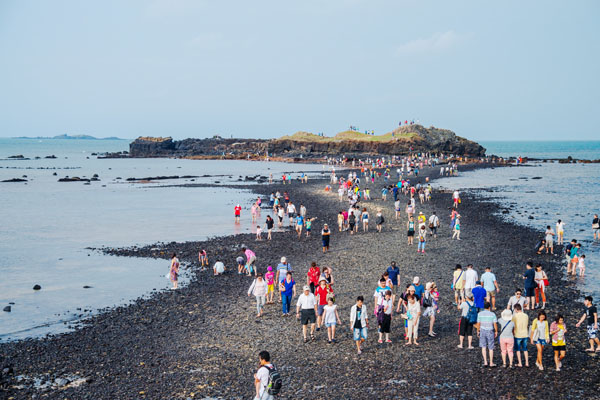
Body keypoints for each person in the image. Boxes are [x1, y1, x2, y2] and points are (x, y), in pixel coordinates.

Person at [476, 301, 498, 367]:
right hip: (490, 330)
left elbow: (478, 323)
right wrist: (496, 331)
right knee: (491, 347)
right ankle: (491, 362)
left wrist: (478, 331)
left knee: (483, 347)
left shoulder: (480, 314)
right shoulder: (492, 314)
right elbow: (495, 324)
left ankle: (485, 362)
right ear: (489, 307)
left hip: (482, 330)